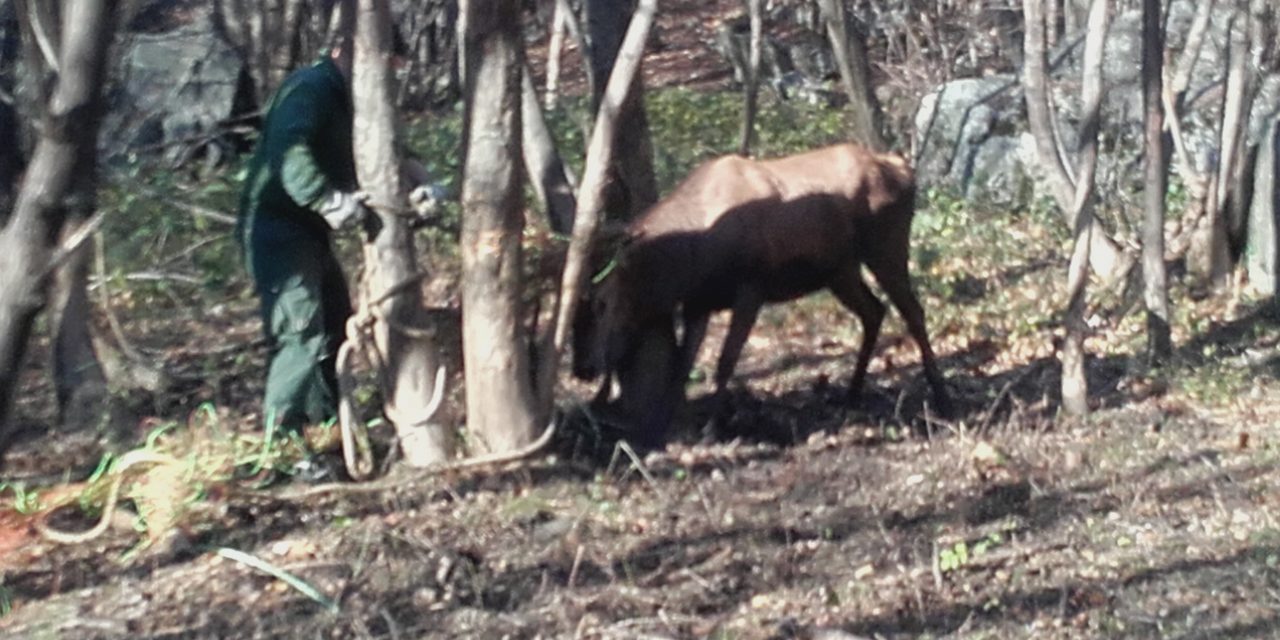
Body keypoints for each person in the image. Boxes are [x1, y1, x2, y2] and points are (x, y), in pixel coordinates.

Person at [237, 47, 368, 439]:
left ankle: (328, 429)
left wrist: (422, 182)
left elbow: (387, 147)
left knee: (335, 327)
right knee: (300, 334)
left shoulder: (352, 96)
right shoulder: (309, 89)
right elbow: (288, 151)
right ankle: (279, 445)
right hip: (276, 229)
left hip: (309, 231)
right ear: (342, 52)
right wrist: (324, 198)